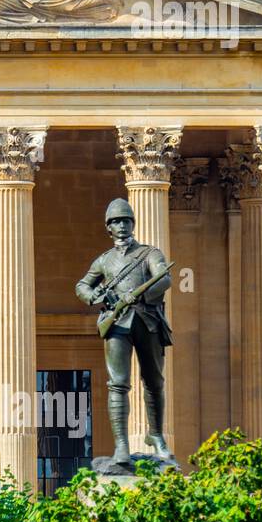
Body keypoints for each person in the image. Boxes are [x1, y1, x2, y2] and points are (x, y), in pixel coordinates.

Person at [75, 199, 174, 465]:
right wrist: (94, 296)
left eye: (126, 221)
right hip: (117, 322)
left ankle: (156, 436)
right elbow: (82, 285)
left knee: (154, 381)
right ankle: (121, 446)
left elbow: (164, 278)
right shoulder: (104, 261)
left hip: (147, 321)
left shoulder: (149, 253)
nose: (122, 226)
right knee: (117, 384)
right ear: (109, 227)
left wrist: (141, 295)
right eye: (116, 222)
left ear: (132, 224)